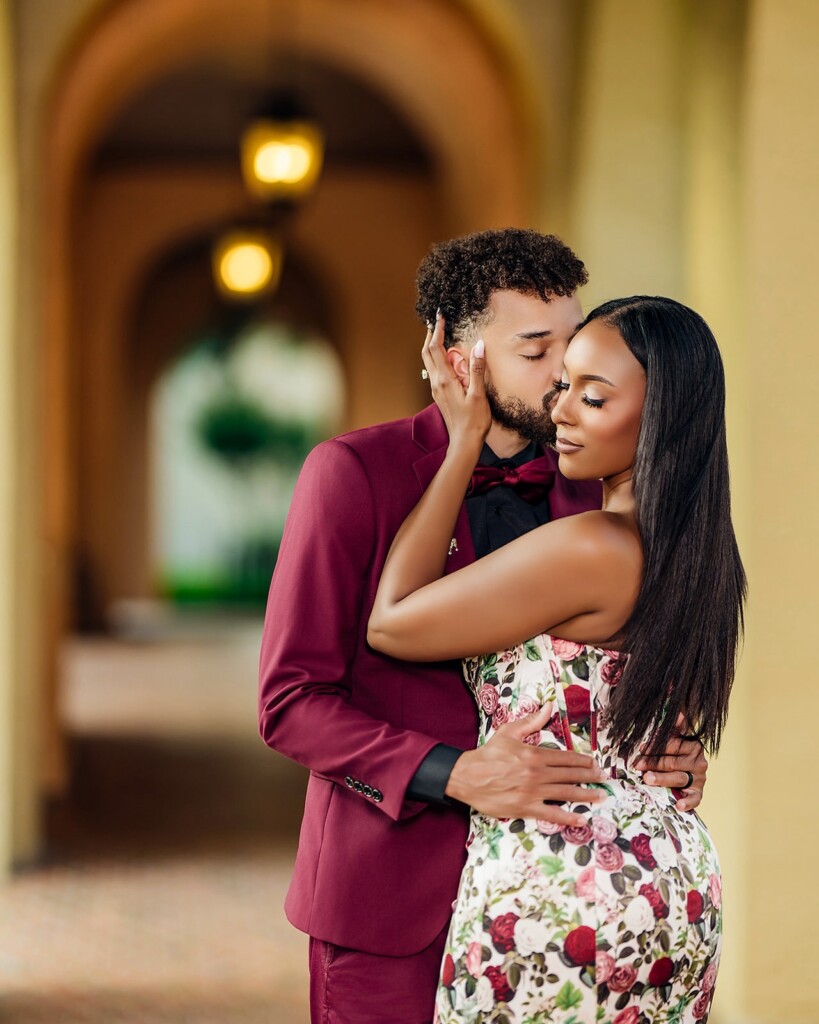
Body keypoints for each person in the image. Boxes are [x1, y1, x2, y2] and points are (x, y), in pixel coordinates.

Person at [258, 230, 708, 1024]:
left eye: (572, 349)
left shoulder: (588, 492)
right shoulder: (350, 474)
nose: (561, 376)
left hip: (560, 911)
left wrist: (663, 753)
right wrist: (450, 771)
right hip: (389, 906)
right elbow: (290, 701)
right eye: (536, 351)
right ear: (459, 358)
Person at [368, 295, 746, 1023]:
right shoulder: (700, 556)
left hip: (563, 888)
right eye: (562, 384)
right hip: (673, 881)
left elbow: (392, 622)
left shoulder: (588, 548)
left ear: (662, 416)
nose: (561, 411)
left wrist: (461, 441)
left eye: (592, 396)